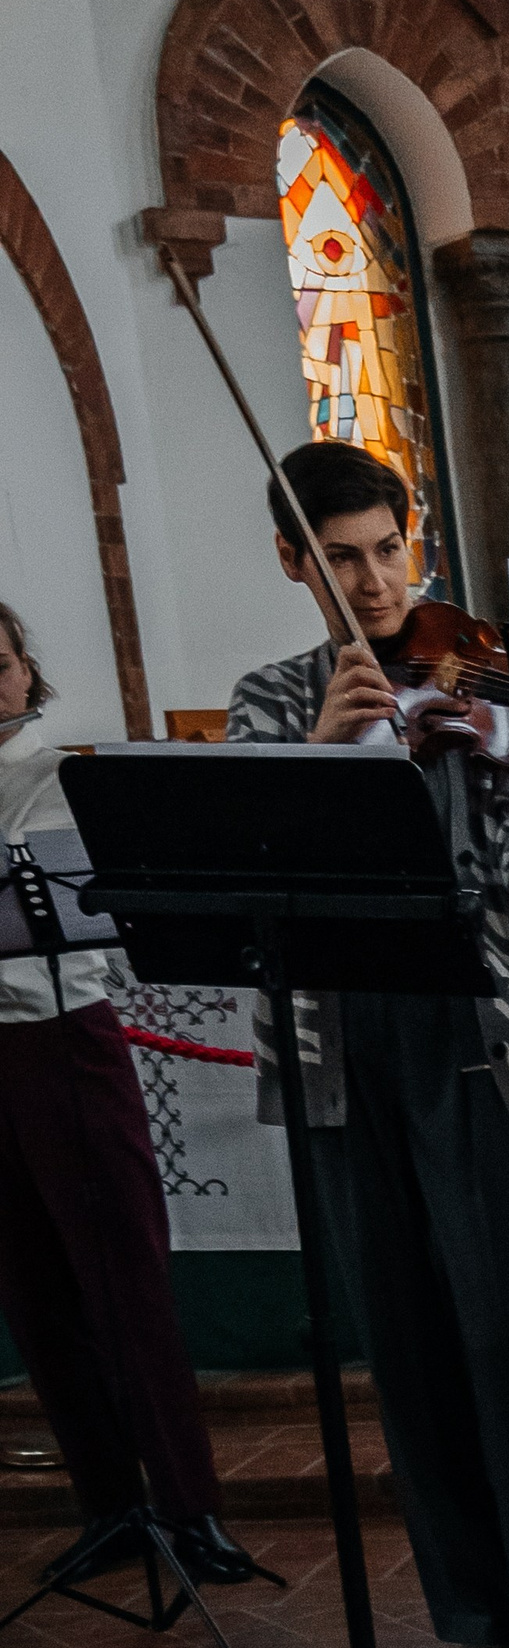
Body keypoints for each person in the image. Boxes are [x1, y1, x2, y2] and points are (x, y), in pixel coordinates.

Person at [229, 443, 509, 1648]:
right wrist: (325, 744)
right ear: (296, 562)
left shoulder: (472, 669)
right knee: (403, 1338)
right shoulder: (270, 696)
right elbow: (254, 870)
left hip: (474, 1024)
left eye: (387, 551)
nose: (372, 582)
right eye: (341, 557)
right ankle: (473, 1606)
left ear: (417, 544)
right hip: (336, 1043)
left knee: (508, 1329)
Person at [0, 600, 252, 1590]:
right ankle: (107, 1501)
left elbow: (96, 898)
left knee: (125, 1279)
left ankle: (191, 1509)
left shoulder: (61, 774)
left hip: (66, 1039)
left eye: (5, 660)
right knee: (31, 1284)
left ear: (26, 672)